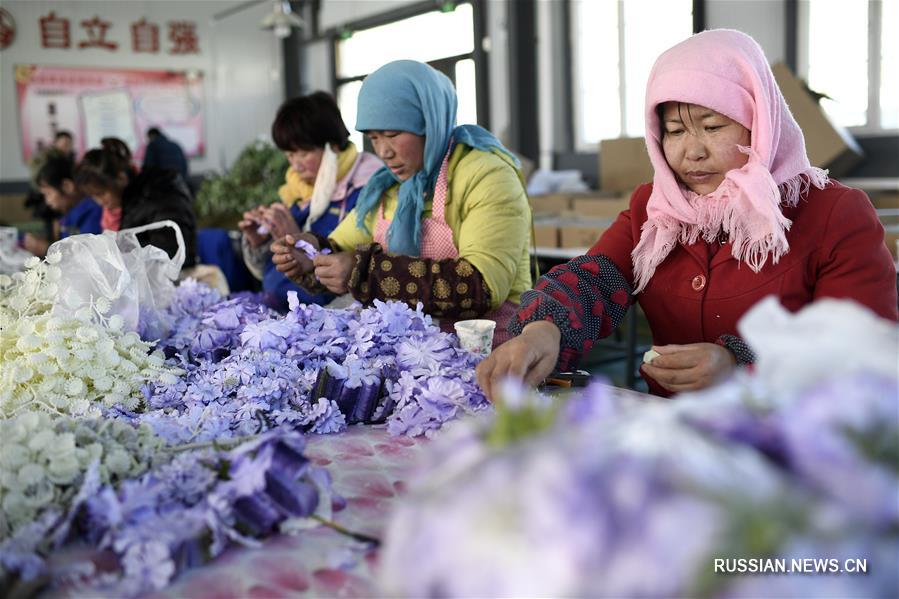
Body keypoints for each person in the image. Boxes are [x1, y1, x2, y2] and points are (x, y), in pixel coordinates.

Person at [477, 29, 898, 399]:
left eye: (713, 127)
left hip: (793, 437)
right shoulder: (655, 209)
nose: (691, 151)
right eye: (675, 131)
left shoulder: (832, 212)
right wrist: (542, 331)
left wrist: (740, 365)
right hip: (676, 437)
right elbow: (595, 279)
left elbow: (860, 346)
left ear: (760, 120)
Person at [270, 60, 533, 343]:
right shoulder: (388, 187)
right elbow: (340, 246)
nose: (384, 151)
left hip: (491, 356)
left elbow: (481, 286)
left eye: (393, 135)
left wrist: (364, 272)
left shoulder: (486, 175)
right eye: (373, 138)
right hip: (416, 357)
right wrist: (310, 256)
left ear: (429, 122)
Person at [238, 91, 382, 311]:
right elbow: (271, 269)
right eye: (289, 155)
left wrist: (301, 240)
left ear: (332, 146)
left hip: (329, 317)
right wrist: (260, 242)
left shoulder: (369, 190)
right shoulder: (298, 189)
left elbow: (357, 271)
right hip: (282, 308)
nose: (295, 165)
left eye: (303, 153)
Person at [75, 137, 197, 270]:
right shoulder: (125, 203)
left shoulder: (160, 194)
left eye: (101, 193)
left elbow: (168, 256)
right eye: (93, 196)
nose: (100, 202)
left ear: (121, 179)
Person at [21, 151, 103, 257]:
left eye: (48, 194)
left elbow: (86, 256)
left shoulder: (93, 211)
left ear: (67, 186)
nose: (47, 201)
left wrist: (46, 249)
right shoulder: (68, 214)